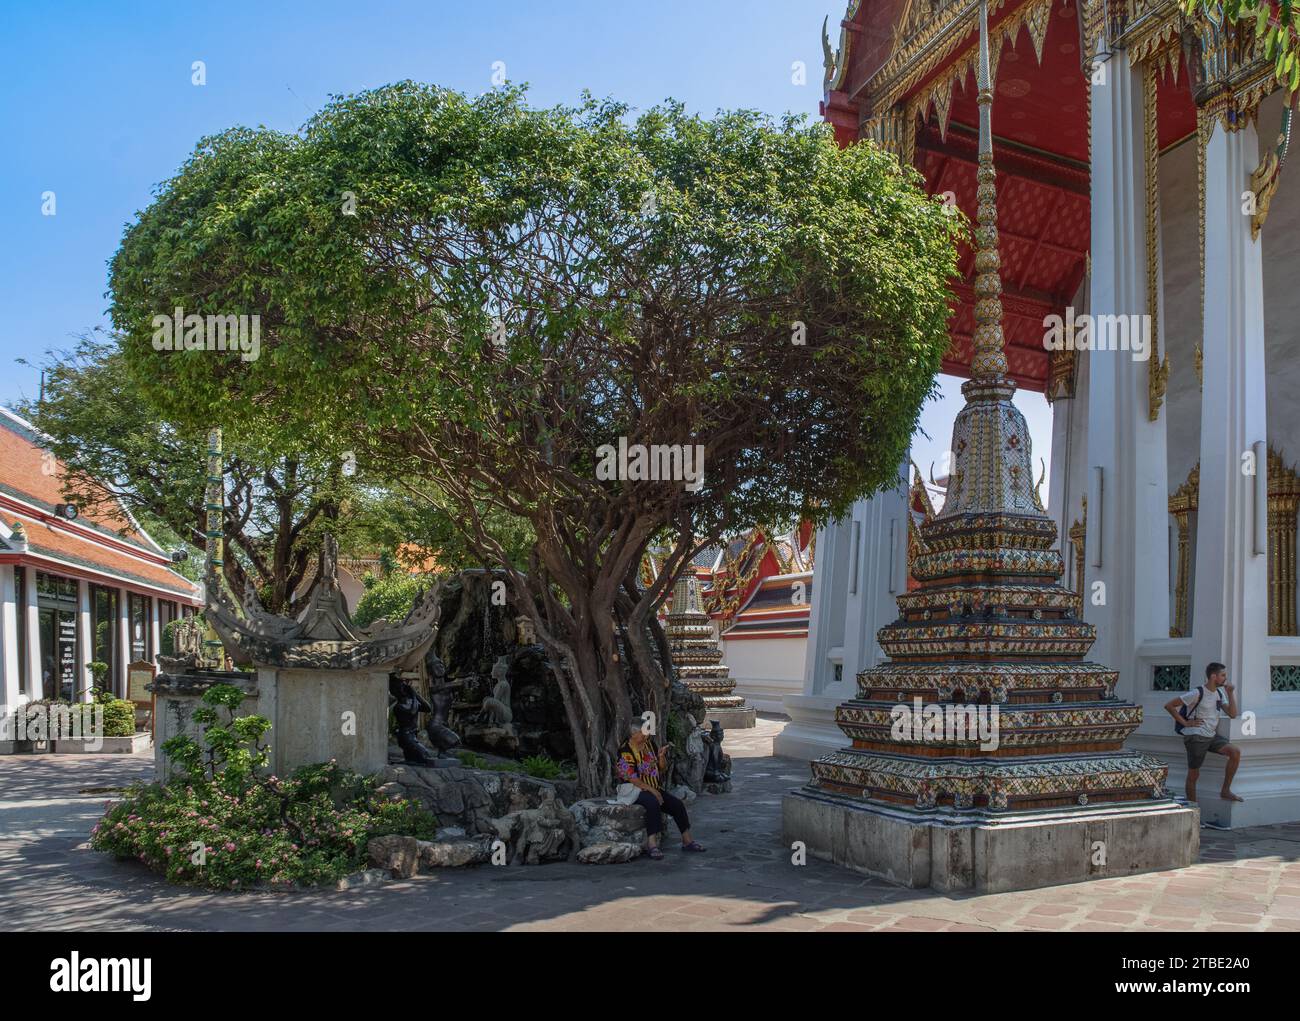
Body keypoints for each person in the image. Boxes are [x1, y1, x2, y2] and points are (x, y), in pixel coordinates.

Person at [616, 722, 706, 859]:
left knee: (677, 805)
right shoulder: (625, 751)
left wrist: (661, 757)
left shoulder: (650, 745)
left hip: (652, 787)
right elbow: (632, 778)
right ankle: (652, 844)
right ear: (634, 734)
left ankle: (687, 841)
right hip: (634, 790)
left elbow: (661, 768)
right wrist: (654, 791)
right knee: (653, 803)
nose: (647, 735)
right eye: (644, 732)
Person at [1163, 662, 1243, 804]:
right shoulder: (1197, 692)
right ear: (1213, 676)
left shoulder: (1220, 693)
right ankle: (1193, 809)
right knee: (1194, 774)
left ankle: (1225, 790)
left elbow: (1232, 714)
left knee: (1235, 752)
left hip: (1211, 736)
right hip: (1196, 736)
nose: (1225, 678)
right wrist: (1186, 723)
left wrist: (1230, 693)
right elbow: (1169, 706)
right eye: (1223, 675)